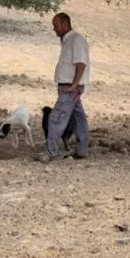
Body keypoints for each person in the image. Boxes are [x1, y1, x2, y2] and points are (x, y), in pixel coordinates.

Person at [36, 12, 90, 162]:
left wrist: (74, 85)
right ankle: (82, 150)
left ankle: (50, 153)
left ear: (65, 24)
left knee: (56, 118)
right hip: (70, 87)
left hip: (70, 88)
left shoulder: (76, 40)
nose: (54, 29)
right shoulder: (68, 40)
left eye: (56, 25)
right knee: (78, 119)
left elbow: (81, 64)